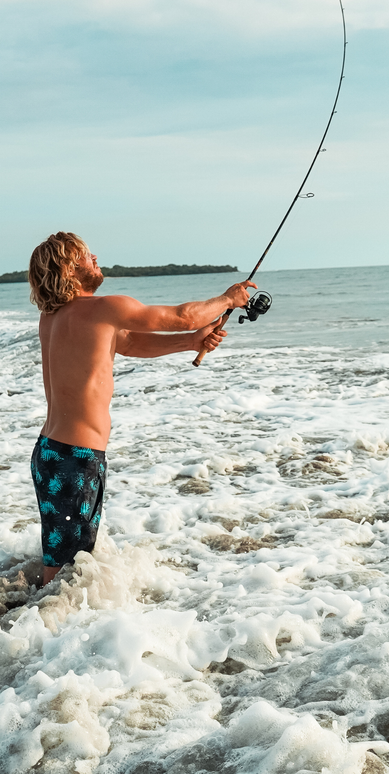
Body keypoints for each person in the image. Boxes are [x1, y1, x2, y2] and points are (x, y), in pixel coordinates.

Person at [27, 231, 256, 582]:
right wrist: (228, 299)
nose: (95, 259)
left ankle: (38, 620)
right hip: (74, 459)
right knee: (64, 574)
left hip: (52, 453)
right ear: (69, 269)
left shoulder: (55, 317)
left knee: (66, 565)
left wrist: (190, 342)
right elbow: (183, 315)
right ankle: (34, 629)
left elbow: (129, 342)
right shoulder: (103, 308)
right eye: (87, 256)